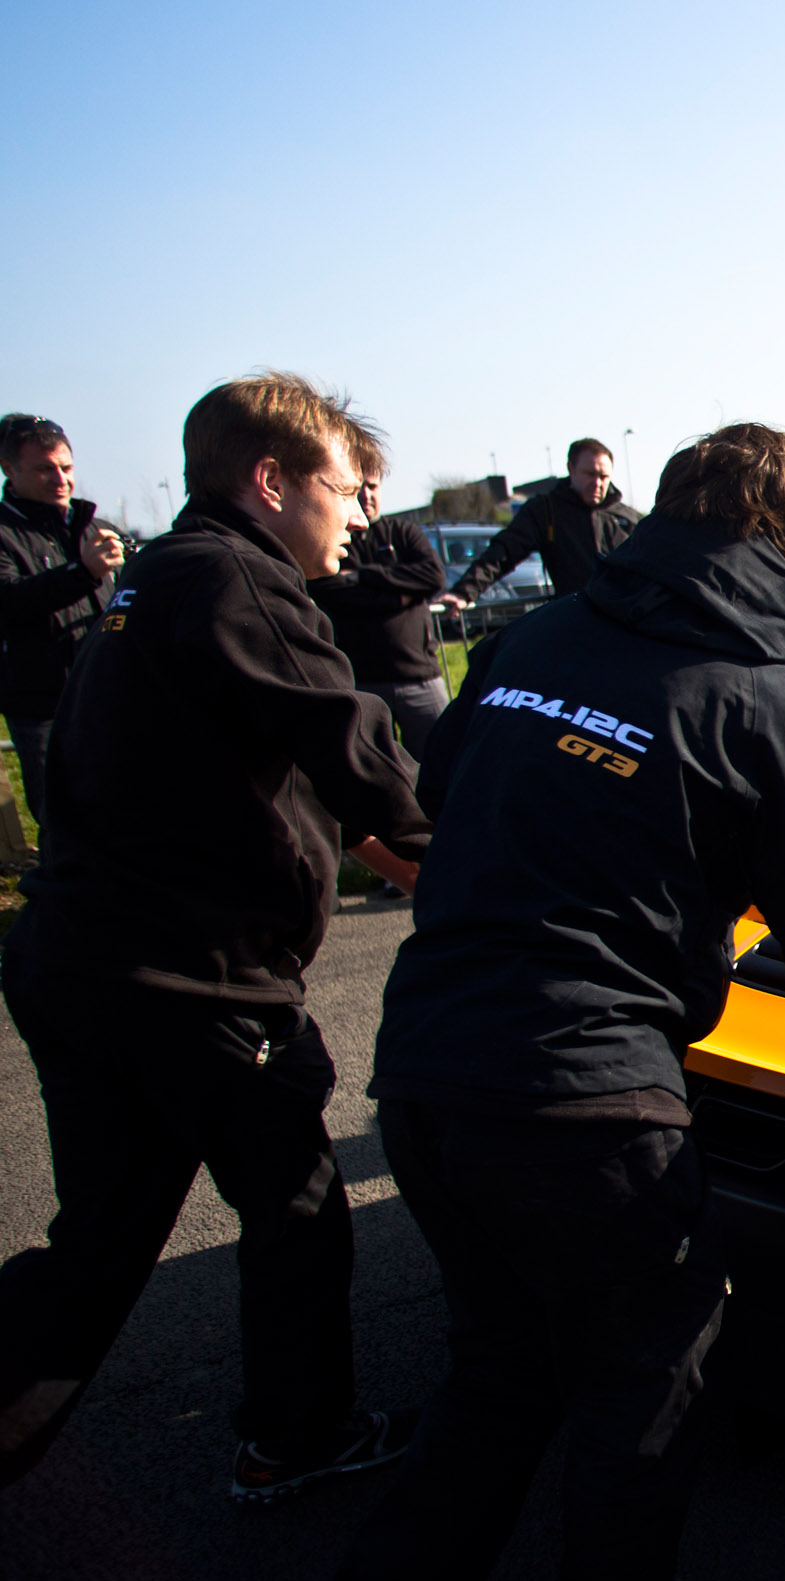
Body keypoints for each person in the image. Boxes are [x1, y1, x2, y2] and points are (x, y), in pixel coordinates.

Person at [339, 423, 785, 1581]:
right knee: (643, 1384)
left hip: (424, 1067)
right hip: (588, 1102)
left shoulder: (532, 637)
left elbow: (446, 797)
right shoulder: (764, 702)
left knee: (499, 1374)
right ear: (781, 547)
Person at [0, 373, 428, 1500]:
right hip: (192, 984)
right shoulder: (243, 582)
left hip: (84, 957)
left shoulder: (157, 579)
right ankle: (299, 1433)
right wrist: (501, 855)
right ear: (271, 480)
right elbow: (370, 771)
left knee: (96, 1244)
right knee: (293, 1203)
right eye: (344, 489)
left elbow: (302, 802)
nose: (357, 515)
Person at [0, 414, 123, 826]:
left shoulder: (99, 530)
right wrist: (81, 574)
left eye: (66, 467)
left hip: (108, 699)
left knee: (126, 810)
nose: (61, 479)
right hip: (40, 706)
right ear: (8, 470)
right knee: (61, 819)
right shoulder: (3, 533)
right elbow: (8, 602)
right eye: (44, 469)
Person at [308, 470, 450, 757]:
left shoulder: (404, 532)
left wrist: (362, 577)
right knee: (375, 773)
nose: (366, 495)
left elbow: (433, 577)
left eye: (372, 487)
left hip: (420, 678)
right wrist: (403, 594)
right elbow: (328, 590)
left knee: (442, 766)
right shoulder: (334, 540)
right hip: (361, 682)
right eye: (357, 488)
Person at [438, 438, 638, 611]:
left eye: (604, 477)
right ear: (571, 469)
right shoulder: (546, 511)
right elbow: (504, 552)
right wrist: (464, 592)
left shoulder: (627, 517)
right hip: (578, 623)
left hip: (629, 622)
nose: (597, 483)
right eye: (590, 474)